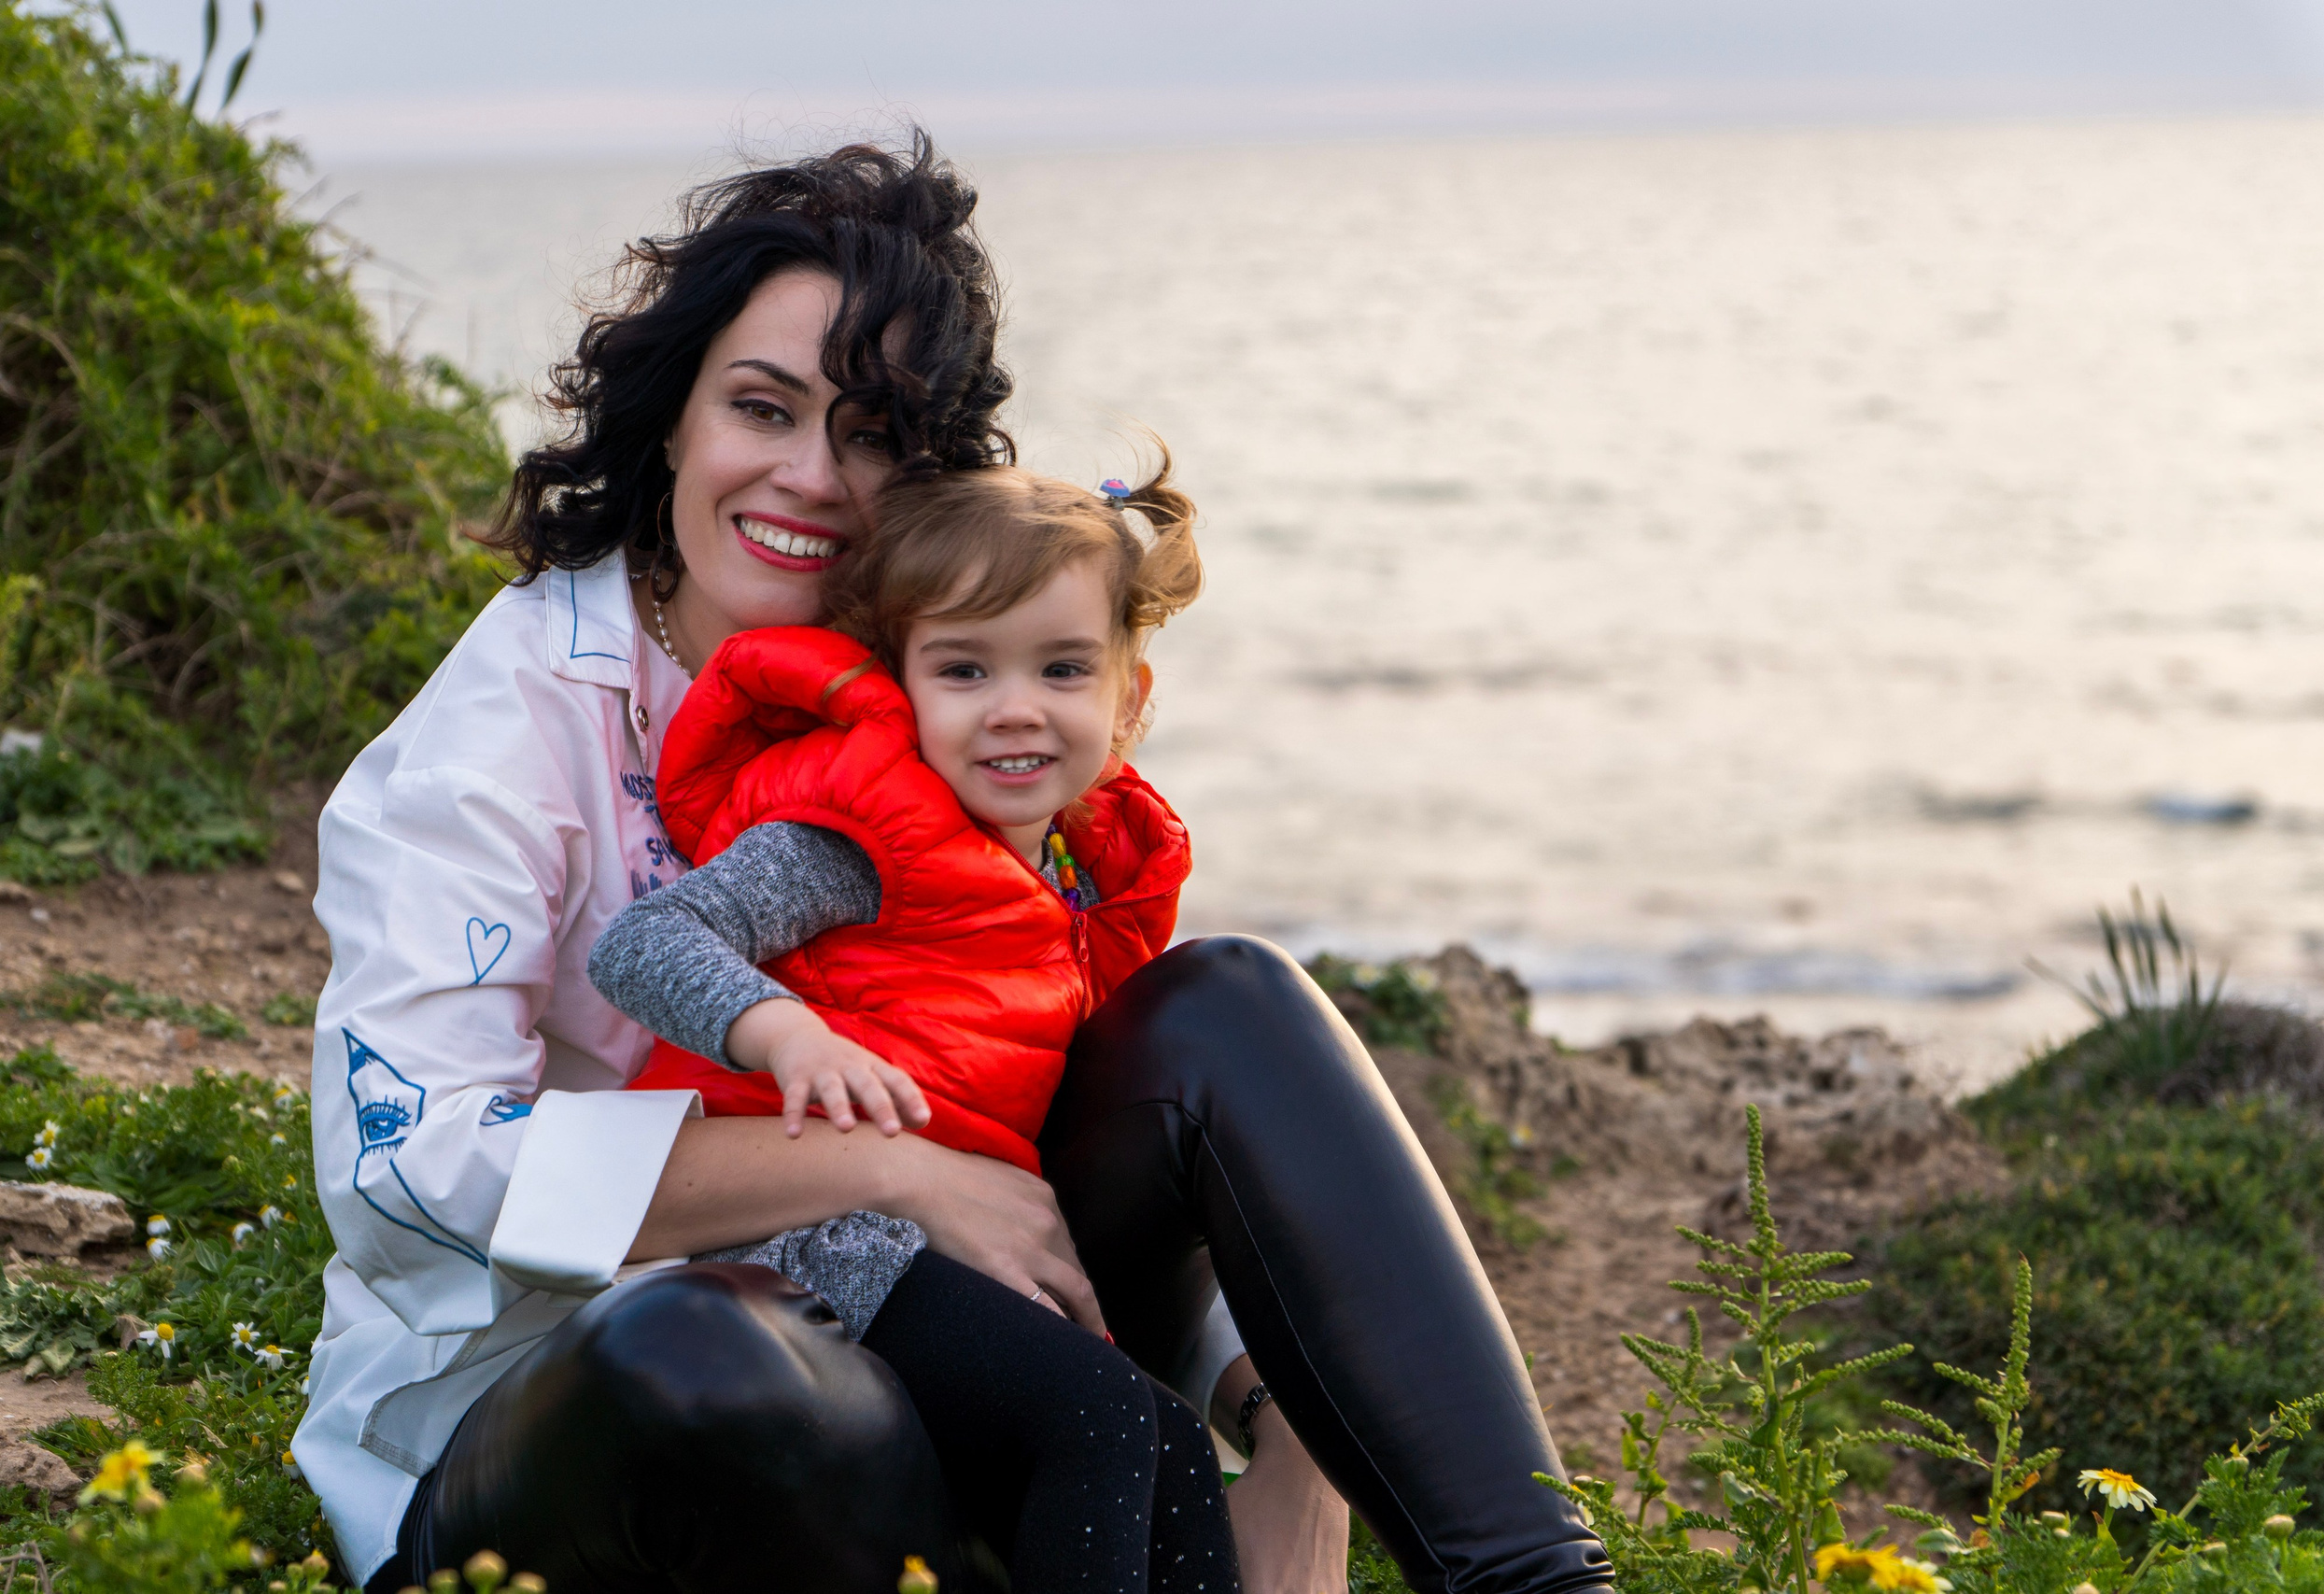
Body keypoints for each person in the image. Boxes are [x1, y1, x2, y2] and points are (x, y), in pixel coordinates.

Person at [296, 133, 1614, 1594]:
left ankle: (1537, 1579)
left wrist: (1292, 1418)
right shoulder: (504, 727)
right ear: (672, 415)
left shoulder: (935, 697)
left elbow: (1014, 1079)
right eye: (762, 405)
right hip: (562, 1434)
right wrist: (888, 1164)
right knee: (711, 1345)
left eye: (871, 432)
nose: (810, 474)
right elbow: (403, 1167)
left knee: (1220, 1003)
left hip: (903, 1352)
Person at [585, 458, 1218, 1591]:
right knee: (1103, 1424)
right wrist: (783, 1032)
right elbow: (641, 945)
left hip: (936, 1250)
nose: (1014, 706)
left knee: (1166, 1440)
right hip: (789, 1251)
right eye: (964, 669)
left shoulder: (1074, 876)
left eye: (1062, 668)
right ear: (902, 683)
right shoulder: (865, 833)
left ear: (1128, 697)